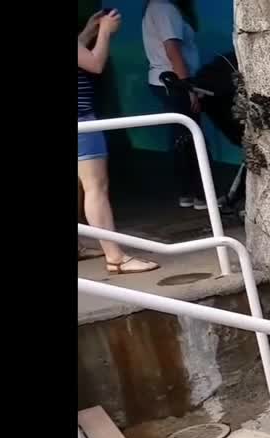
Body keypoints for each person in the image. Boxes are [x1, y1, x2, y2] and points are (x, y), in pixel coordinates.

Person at [80, 9, 159, 275]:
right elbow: (94, 63)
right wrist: (104, 33)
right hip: (81, 122)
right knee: (96, 188)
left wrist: (89, 31)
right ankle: (115, 258)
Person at [142, 0, 208, 210]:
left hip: (169, 81)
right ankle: (198, 194)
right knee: (190, 138)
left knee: (182, 137)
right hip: (174, 82)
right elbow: (173, 51)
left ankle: (188, 193)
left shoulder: (158, 8)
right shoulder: (164, 8)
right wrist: (188, 88)